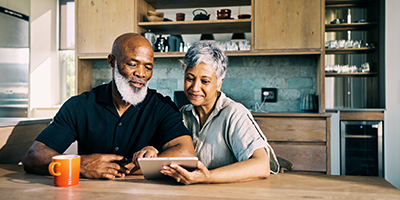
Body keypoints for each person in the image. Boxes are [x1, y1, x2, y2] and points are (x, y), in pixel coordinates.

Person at [23, 33, 196, 179]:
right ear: (112, 61)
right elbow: (33, 156)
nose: (141, 74)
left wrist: (145, 163)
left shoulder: (162, 106)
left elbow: (186, 152)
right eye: (132, 64)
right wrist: (80, 165)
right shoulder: (79, 106)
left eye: (148, 67)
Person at [161, 42, 279, 185]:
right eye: (190, 78)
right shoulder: (181, 115)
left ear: (219, 83)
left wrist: (208, 176)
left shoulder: (234, 113)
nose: (194, 88)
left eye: (205, 81)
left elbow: (262, 166)